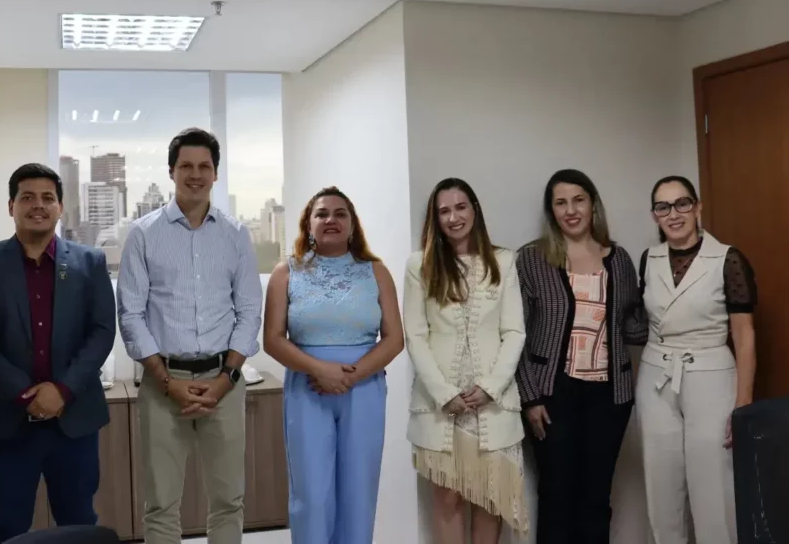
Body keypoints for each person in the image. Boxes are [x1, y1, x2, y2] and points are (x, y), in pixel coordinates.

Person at [117, 127, 262, 544]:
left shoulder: (236, 234)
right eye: (186, 166)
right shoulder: (143, 234)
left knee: (229, 500)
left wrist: (225, 379)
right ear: (171, 171)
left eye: (204, 166)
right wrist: (167, 382)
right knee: (161, 504)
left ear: (215, 173)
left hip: (224, 382)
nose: (195, 175)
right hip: (163, 384)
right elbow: (130, 314)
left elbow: (249, 311)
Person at [0, 163, 116, 544]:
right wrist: (24, 392)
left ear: (60, 207)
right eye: (27, 197)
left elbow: (102, 332)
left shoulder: (89, 262)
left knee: (79, 522)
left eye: (48, 198)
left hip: (72, 419)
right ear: (10, 206)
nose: (38, 205)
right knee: (6, 526)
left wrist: (62, 390)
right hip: (6, 420)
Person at [263, 186, 404, 544]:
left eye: (341, 214)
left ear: (352, 225)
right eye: (322, 214)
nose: (331, 220)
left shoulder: (376, 271)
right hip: (307, 390)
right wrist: (319, 370)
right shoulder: (286, 272)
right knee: (311, 495)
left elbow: (394, 339)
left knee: (358, 490)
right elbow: (273, 339)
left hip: (364, 389)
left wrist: (350, 377)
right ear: (308, 225)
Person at [515, 169, 647, 544]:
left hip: (609, 397)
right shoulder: (532, 259)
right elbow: (516, 333)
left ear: (593, 205)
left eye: (579, 200)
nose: (571, 210)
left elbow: (633, 327)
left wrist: (663, 298)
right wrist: (531, 397)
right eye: (561, 203)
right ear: (551, 211)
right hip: (552, 396)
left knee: (596, 498)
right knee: (556, 495)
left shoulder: (618, 259)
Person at [403, 178, 528, 543]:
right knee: (448, 498)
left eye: (460, 208)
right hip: (440, 407)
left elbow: (514, 332)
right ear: (435, 218)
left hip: (494, 404)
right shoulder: (419, 265)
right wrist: (444, 393)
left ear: (475, 210)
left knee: (491, 499)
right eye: (444, 211)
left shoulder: (503, 261)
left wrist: (491, 387)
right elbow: (415, 336)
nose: (453, 217)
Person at [637, 175, 756, 544]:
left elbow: (744, 336)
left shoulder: (727, 258)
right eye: (663, 207)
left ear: (697, 207)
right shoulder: (649, 259)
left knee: (713, 486)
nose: (673, 214)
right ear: (655, 215)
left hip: (711, 374)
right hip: (657, 375)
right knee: (661, 484)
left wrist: (743, 404)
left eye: (682, 203)